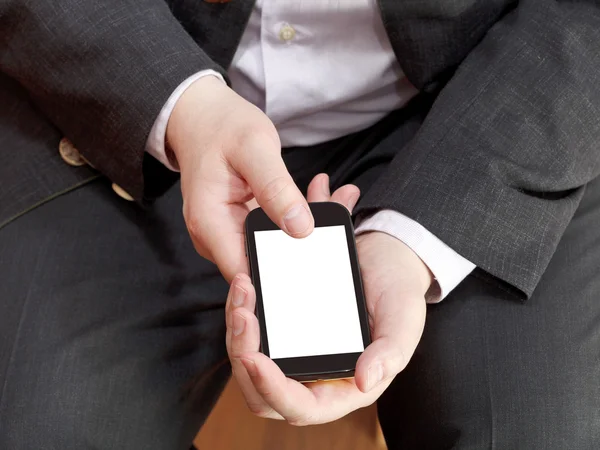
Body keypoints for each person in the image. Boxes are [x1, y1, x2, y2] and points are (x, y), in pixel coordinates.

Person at [1, 0, 599, 448]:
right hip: (133, 83)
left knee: (540, 430)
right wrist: (186, 109)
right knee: (36, 424)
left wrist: (416, 244)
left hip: (493, 103)